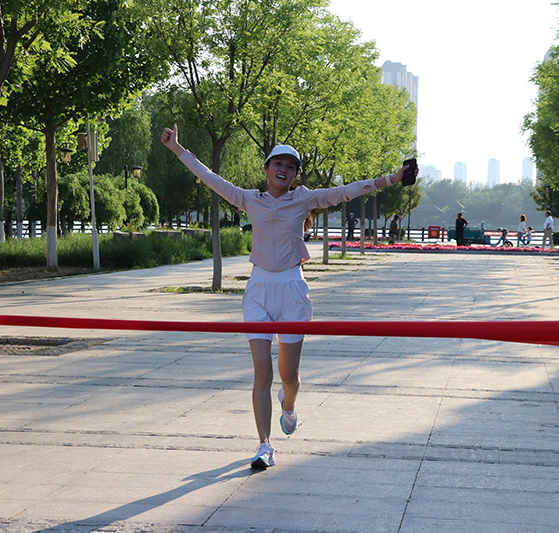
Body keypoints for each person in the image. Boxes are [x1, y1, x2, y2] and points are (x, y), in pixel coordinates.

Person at [161, 124, 415, 470]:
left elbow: (347, 191)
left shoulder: (305, 199)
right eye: (278, 164)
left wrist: (393, 179)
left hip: (293, 290)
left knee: (289, 377)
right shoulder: (249, 199)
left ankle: (289, 405)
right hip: (259, 291)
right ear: (267, 168)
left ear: (295, 175)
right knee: (262, 372)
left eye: (290, 166)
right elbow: (209, 177)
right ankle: (264, 445)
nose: (283, 170)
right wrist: (177, 148)